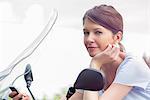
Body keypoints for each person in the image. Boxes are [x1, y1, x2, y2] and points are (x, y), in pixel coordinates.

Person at [9, 4, 150, 100]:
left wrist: (95, 64)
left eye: (98, 32)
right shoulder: (97, 71)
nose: (89, 39)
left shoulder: (133, 66)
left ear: (117, 37)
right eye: (86, 32)